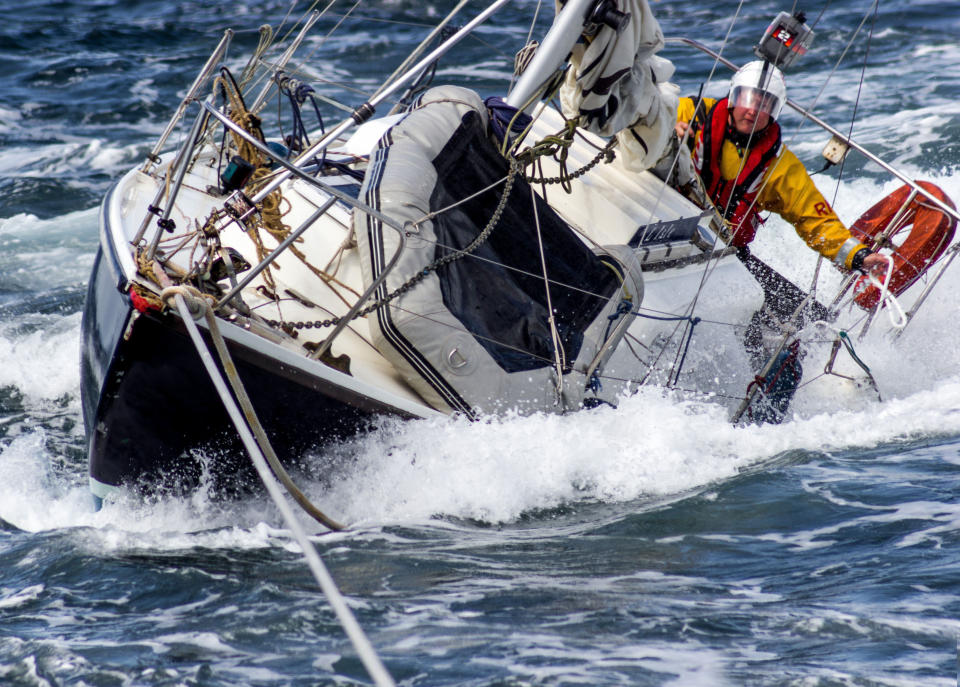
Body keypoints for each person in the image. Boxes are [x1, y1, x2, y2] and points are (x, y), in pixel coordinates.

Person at [667, 60, 890, 422]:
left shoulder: (780, 166)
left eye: (765, 103)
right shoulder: (686, 113)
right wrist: (668, 133)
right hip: (664, 229)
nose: (753, 109)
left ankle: (763, 417)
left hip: (724, 255)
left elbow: (814, 219)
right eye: (748, 98)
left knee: (810, 318)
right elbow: (637, 120)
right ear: (733, 96)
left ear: (774, 112)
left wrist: (859, 256)